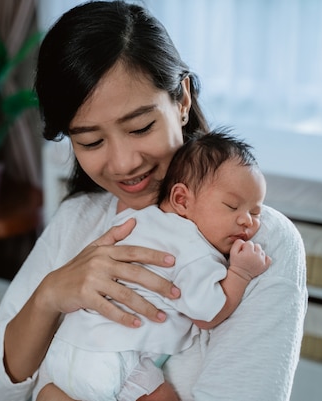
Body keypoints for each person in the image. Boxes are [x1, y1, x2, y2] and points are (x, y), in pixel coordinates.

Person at [0, 0, 307, 401]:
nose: (123, 163)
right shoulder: (78, 217)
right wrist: (50, 295)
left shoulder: (258, 243)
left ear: (182, 101)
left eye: (140, 127)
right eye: (91, 140)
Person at [40, 130, 272, 401]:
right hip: (117, 360)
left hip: (66, 344)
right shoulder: (194, 251)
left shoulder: (137, 219)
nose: (248, 221)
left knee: (53, 394)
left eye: (256, 212)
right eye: (232, 207)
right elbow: (207, 315)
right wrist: (241, 273)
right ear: (182, 200)